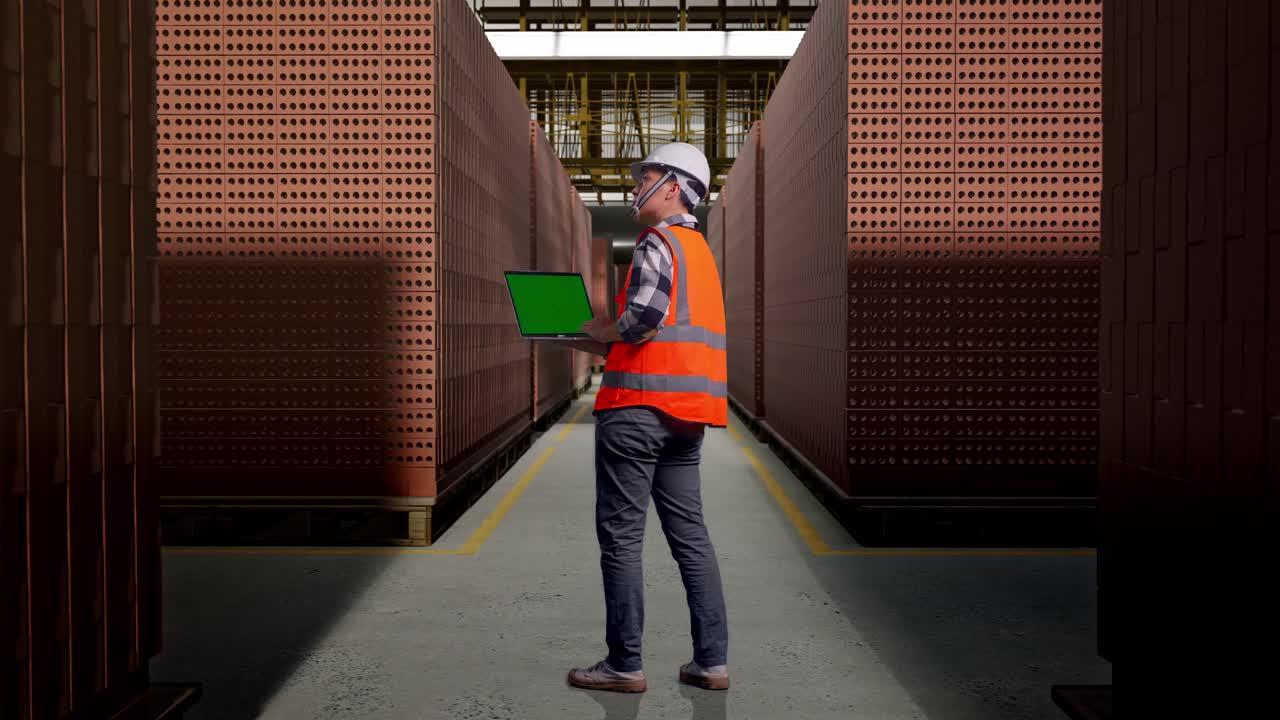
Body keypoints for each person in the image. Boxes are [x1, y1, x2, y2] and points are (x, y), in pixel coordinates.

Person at [557, 142, 730, 693]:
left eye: (646, 176)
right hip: (686, 416)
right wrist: (612, 342)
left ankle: (624, 664)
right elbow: (674, 333)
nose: (637, 186)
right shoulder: (700, 252)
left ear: (673, 185)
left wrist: (595, 331)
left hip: (636, 411)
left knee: (622, 537)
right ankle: (711, 662)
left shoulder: (659, 241)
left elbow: (643, 321)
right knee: (691, 537)